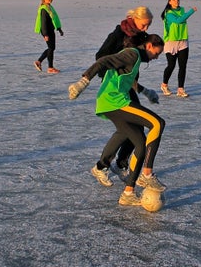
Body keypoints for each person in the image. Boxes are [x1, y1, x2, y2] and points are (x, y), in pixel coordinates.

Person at [68, 33, 166, 207]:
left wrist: (145, 92)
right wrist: (83, 82)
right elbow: (104, 61)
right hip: (114, 102)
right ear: (149, 46)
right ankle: (147, 174)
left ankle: (128, 193)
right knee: (158, 123)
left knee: (140, 143)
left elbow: (129, 80)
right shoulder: (132, 54)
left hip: (113, 103)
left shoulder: (135, 60)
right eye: (156, 53)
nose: (156, 58)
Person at [95, 6, 154, 174]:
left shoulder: (141, 36)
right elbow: (100, 57)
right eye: (144, 25)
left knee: (135, 127)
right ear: (134, 19)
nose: (146, 29)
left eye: (148, 25)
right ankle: (104, 166)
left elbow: (141, 55)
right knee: (128, 129)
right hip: (114, 87)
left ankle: (119, 162)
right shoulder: (118, 34)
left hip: (129, 85)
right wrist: (117, 66)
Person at [160, 0, 197, 98]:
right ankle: (164, 85)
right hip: (171, 42)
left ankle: (180, 89)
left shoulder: (181, 10)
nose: (176, 0)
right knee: (171, 66)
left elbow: (182, 18)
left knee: (183, 66)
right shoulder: (168, 13)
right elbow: (178, 20)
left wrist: (186, 13)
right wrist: (191, 11)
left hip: (183, 42)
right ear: (169, 2)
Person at [34, 0, 64, 73]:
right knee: (51, 48)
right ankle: (50, 67)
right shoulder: (44, 9)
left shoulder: (50, 7)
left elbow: (54, 19)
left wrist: (59, 29)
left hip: (51, 30)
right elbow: (43, 23)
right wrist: (45, 34)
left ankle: (39, 62)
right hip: (47, 31)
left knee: (51, 48)